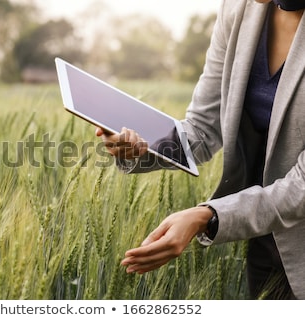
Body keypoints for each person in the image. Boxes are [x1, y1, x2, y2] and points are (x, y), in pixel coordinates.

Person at [96, 0, 305, 299]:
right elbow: (203, 127)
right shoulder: (238, 9)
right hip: (264, 241)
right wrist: (140, 147)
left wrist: (207, 216)